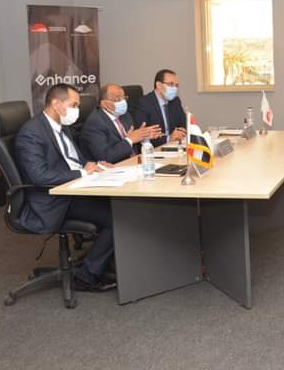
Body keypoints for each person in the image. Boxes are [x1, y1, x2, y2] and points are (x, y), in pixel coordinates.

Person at [15, 83, 116, 291]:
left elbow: (75, 160)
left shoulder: (61, 127)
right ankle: (87, 274)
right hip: (52, 200)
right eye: (74, 105)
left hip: (71, 189)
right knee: (117, 219)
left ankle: (102, 261)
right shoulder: (31, 133)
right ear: (56, 104)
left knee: (119, 205)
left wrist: (94, 165)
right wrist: (82, 173)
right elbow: (39, 176)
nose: (77, 110)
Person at [80, 83, 162, 163]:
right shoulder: (95, 124)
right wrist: (130, 140)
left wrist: (143, 137)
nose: (123, 102)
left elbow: (131, 144)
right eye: (117, 99)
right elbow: (105, 157)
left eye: (124, 98)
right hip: (114, 167)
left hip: (134, 162)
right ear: (104, 103)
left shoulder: (125, 115)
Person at [134, 69, 187, 147]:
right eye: (171, 84)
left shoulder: (175, 101)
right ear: (158, 85)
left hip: (174, 145)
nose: (175, 88)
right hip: (153, 149)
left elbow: (183, 125)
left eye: (176, 85)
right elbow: (143, 135)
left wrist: (180, 133)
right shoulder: (144, 103)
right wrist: (168, 138)